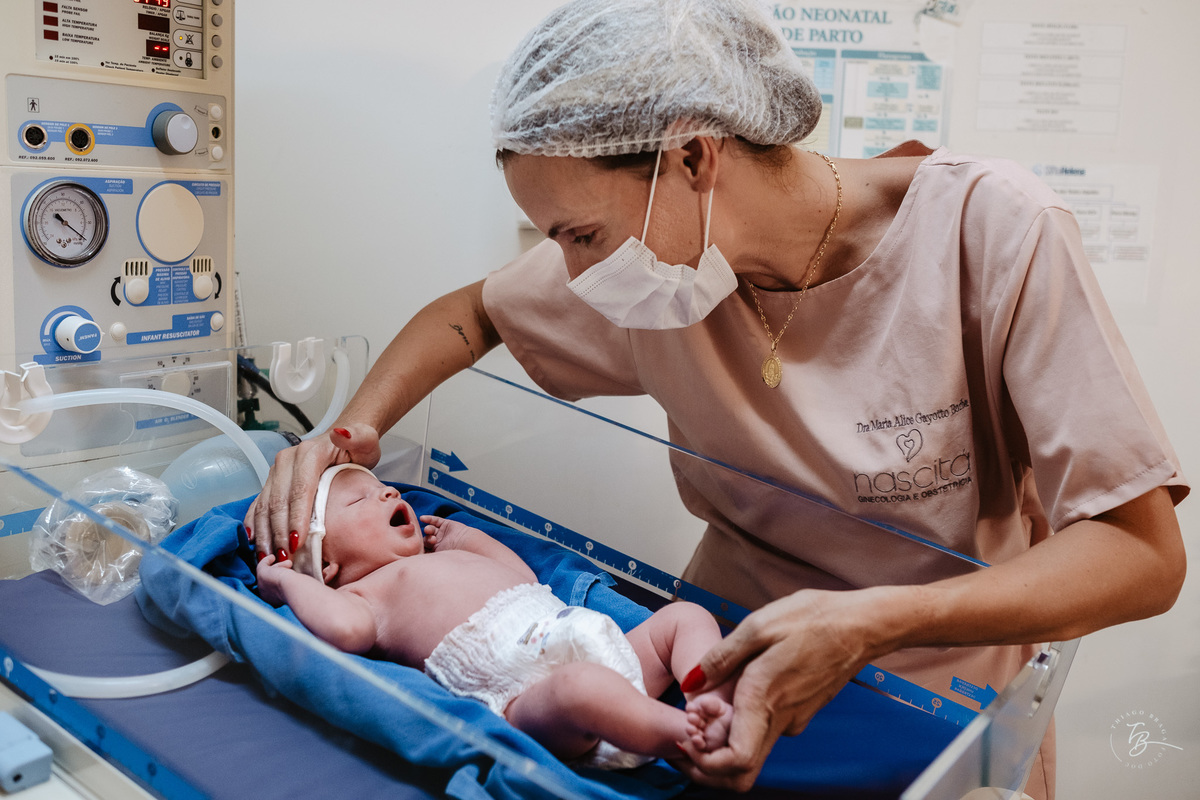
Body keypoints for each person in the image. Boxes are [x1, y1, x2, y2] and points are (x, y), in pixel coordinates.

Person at [247, 0, 1189, 795]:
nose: (570, 273)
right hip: (717, 653)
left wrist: (873, 621)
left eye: (579, 234)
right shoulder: (670, 268)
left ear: (693, 159)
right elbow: (466, 315)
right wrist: (351, 433)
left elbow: (1140, 556)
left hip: (932, 684)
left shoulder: (991, 232)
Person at [254, 462, 735, 768]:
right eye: (361, 498)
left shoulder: (435, 560)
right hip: (528, 695)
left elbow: (525, 580)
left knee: (685, 618)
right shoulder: (364, 594)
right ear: (329, 565)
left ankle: (706, 698)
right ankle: (683, 739)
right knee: (582, 688)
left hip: (582, 636)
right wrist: (287, 582)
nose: (387, 494)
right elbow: (344, 631)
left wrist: (468, 539)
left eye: (382, 486)